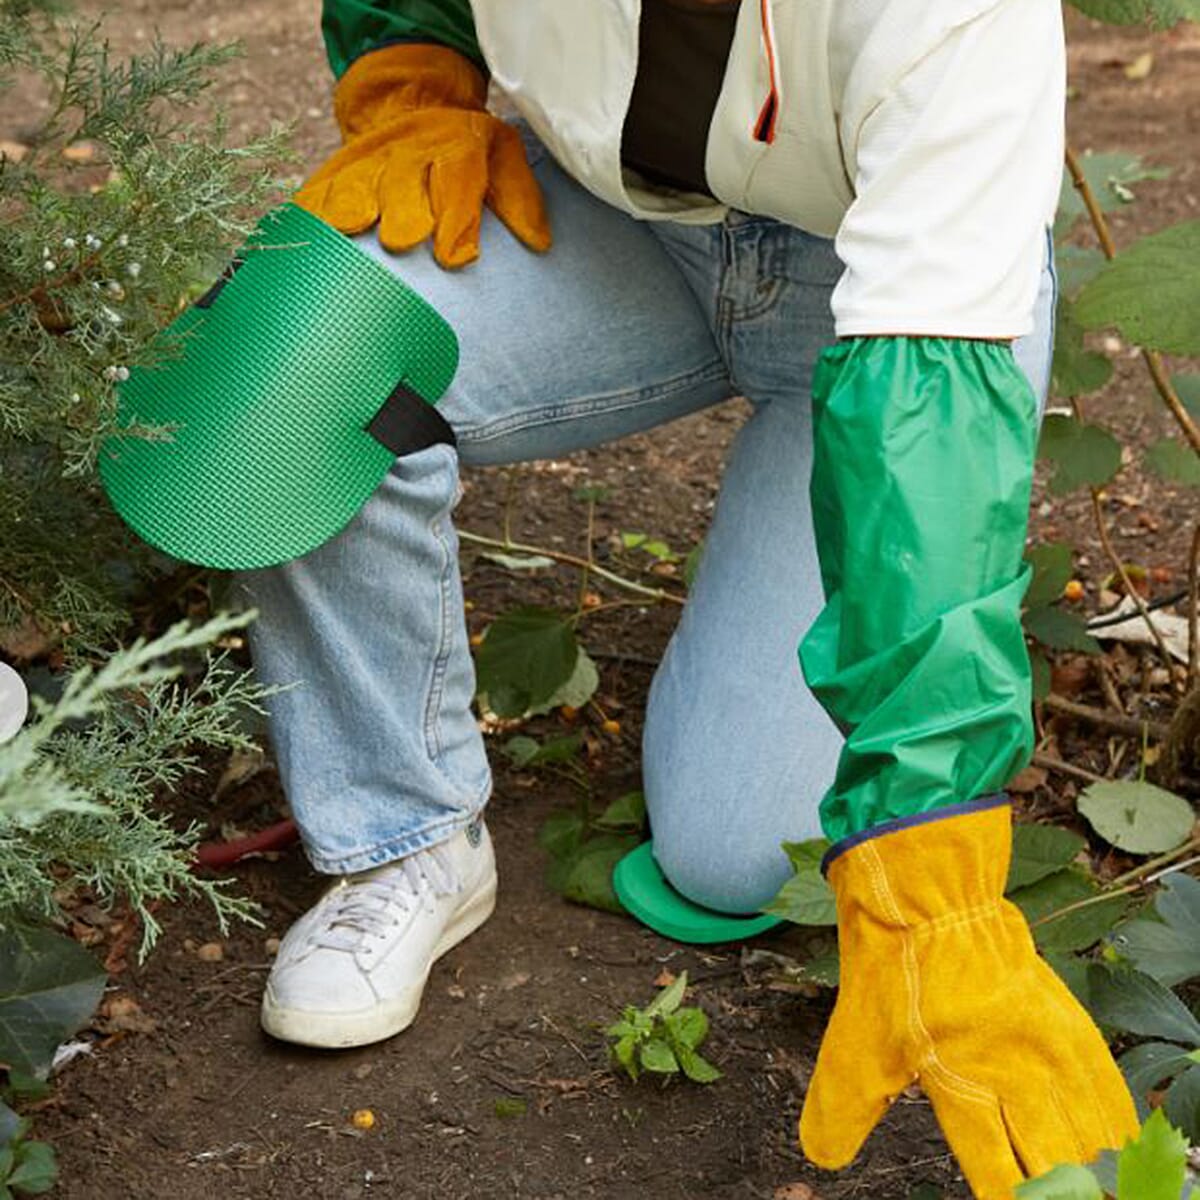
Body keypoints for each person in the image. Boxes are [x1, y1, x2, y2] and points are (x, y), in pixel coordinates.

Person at [238, 2, 1139, 1195]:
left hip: (883, 298)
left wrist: (933, 877)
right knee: (270, 385)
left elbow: (929, 427)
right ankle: (403, 834)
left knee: (736, 857)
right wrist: (418, 87)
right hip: (625, 233)